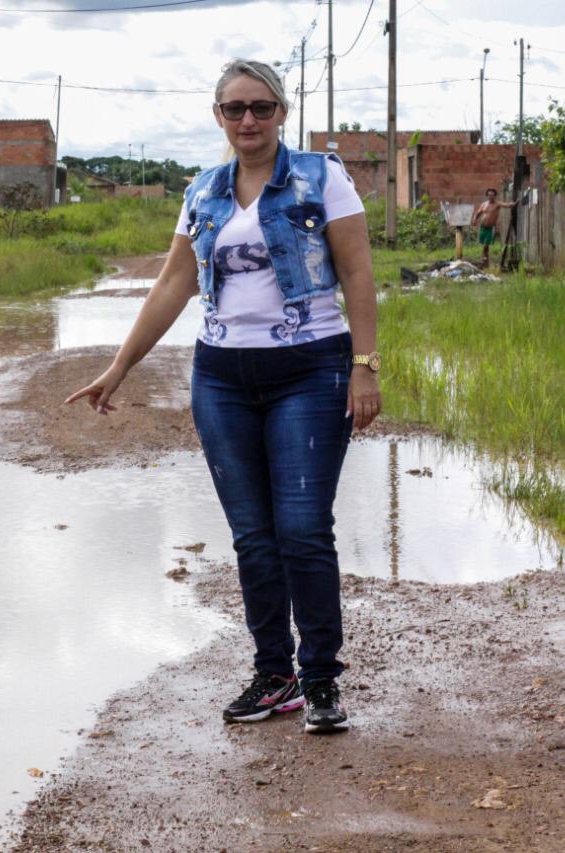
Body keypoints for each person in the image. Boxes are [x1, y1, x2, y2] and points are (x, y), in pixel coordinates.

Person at [65, 59, 381, 734]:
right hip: (222, 378)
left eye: (261, 107)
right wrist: (119, 367)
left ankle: (322, 680)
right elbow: (173, 286)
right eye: (235, 108)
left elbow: (356, 271)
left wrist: (365, 365)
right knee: (253, 538)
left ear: (282, 113)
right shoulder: (202, 191)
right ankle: (276, 675)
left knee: (301, 529)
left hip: (310, 369)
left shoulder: (323, 177)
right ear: (218, 116)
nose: (249, 120)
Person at [471, 187, 516, 267]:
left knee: (486, 245)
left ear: (495, 196)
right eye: (489, 195)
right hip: (482, 227)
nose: (490, 197)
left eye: (492, 195)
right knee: (484, 246)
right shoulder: (484, 204)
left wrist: (514, 203)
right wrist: (474, 220)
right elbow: (478, 213)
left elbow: (507, 205)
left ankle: (484, 260)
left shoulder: (497, 204)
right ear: (487, 196)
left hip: (490, 228)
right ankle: (485, 261)